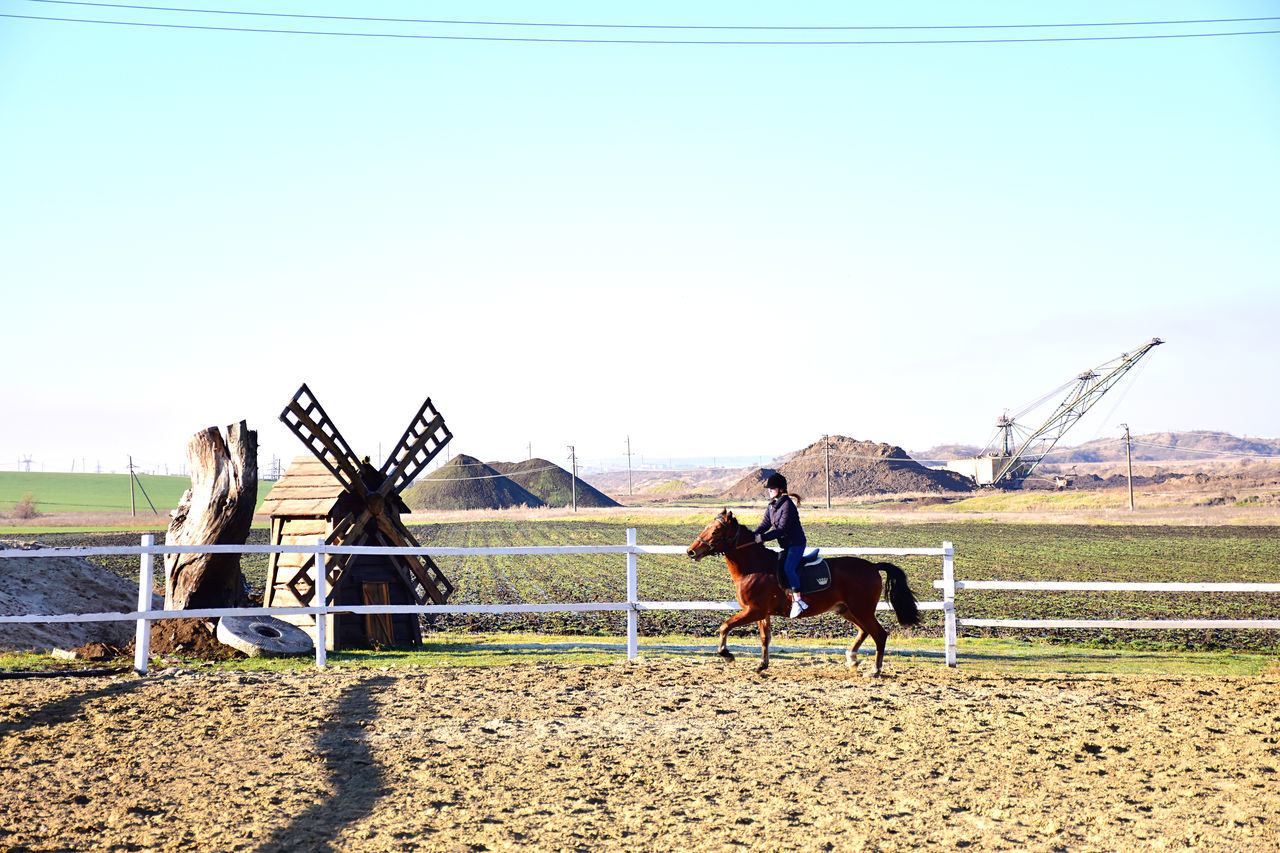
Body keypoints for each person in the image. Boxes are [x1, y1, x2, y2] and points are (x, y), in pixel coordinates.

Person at [752, 473, 809, 618]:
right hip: (786, 546)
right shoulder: (772, 506)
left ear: (781, 489)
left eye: (772, 488)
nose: (769, 491)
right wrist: (752, 536)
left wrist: (762, 538)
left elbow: (781, 530)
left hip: (796, 544)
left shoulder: (788, 505)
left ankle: (798, 601)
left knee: (789, 568)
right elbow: (765, 524)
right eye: (769, 489)